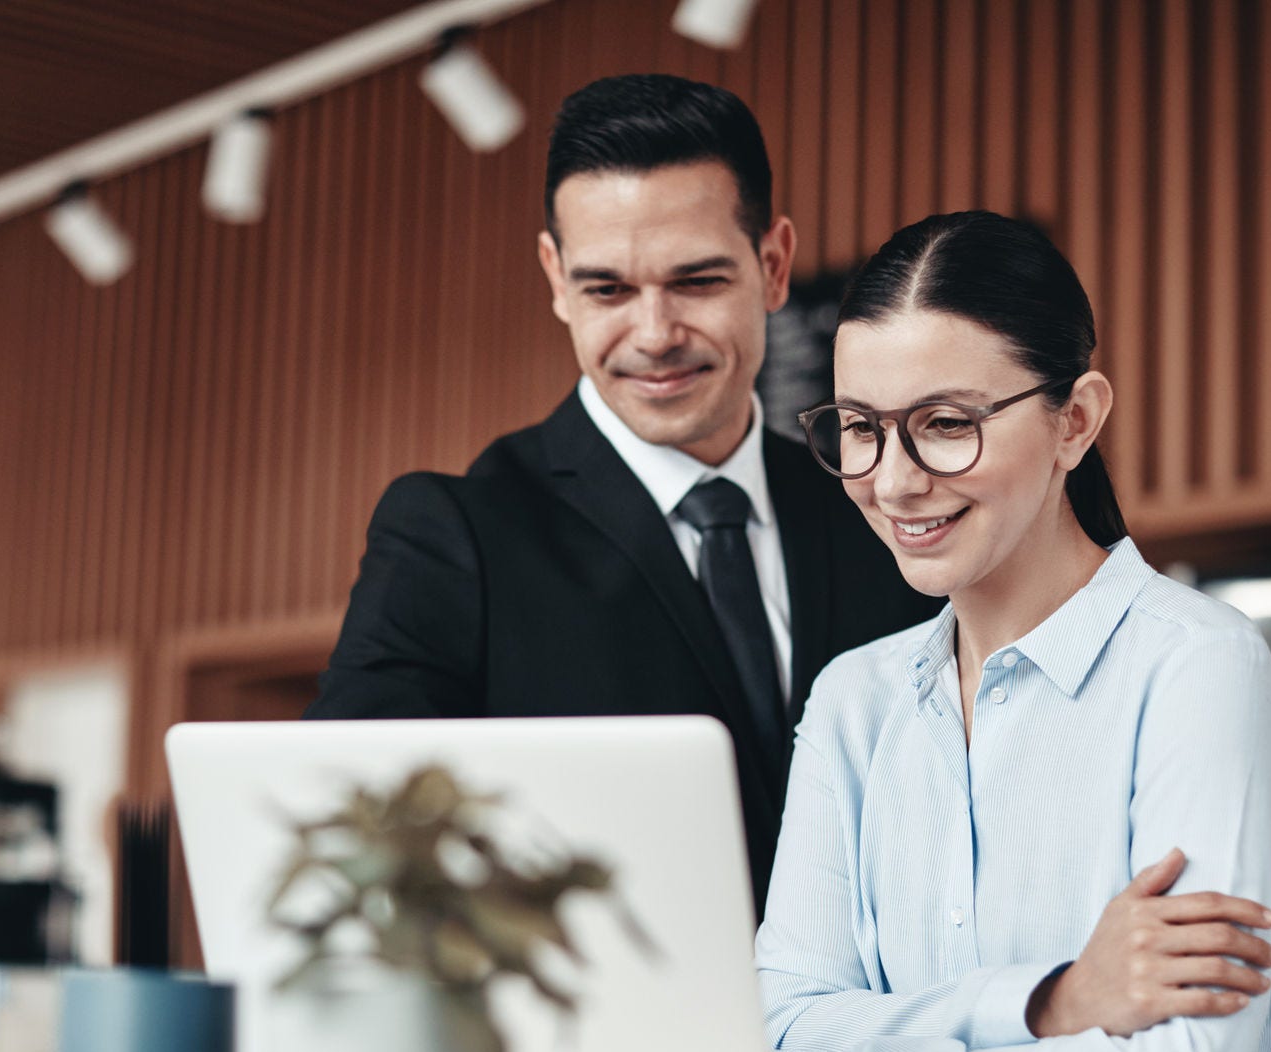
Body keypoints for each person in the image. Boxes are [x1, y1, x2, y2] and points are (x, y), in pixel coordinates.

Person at [755, 210, 1271, 1052]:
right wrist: (1052, 1004)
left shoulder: (1196, 668)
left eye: (945, 424)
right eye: (861, 428)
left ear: (1076, 419)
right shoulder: (854, 703)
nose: (893, 481)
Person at [307, 74, 929, 909]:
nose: (655, 334)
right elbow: (351, 848)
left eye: (698, 281)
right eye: (607, 289)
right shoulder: (455, 536)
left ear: (773, 266)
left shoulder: (879, 515)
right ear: (556, 279)